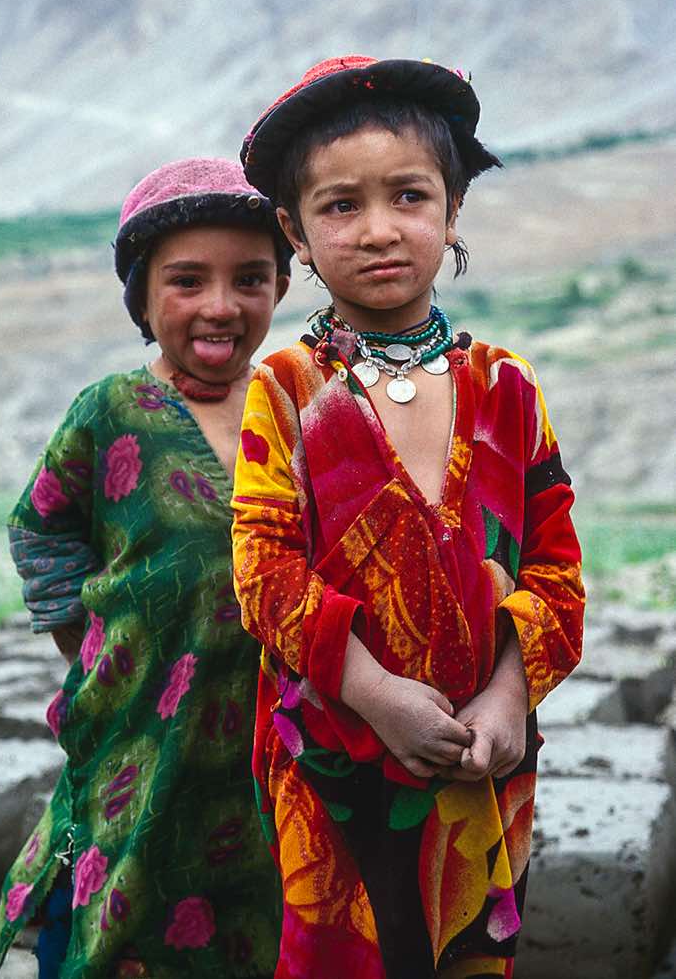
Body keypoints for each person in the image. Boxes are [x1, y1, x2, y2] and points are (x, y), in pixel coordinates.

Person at [231, 56, 585, 979]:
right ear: (293, 231)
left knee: (465, 952)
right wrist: (377, 694)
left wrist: (509, 694)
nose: (380, 230)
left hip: (480, 759)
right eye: (340, 205)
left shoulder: (507, 387)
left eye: (410, 196)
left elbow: (558, 567)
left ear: (453, 209)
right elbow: (263, 572)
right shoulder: (287, 387)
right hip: (336, 756)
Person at [0, 158, 291, 979]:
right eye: (187, 281)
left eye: (251, 279)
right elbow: (40, 527)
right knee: (125, 908)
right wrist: (88, 648)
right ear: (143, 295)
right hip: (139, 722)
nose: (221, 306)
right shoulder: (110, 411)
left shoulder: (294, 407)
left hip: (270, 732)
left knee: (258, 911)